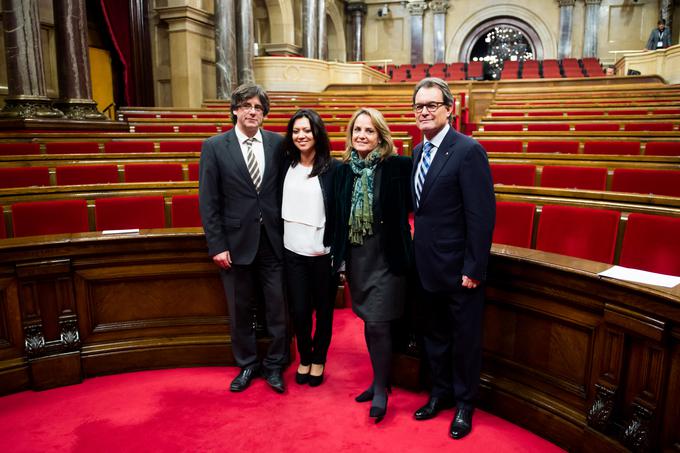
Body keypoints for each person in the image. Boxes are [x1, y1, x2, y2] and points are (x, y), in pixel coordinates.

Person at [410, 77, 495, 439]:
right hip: (426, 267)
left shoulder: (468, 150)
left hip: (459, 271)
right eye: (419, 107)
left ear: (449, 109)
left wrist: (473, 267)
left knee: (464, 342)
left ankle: (464, 405)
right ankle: (439, 394)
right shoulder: (417, 151)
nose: (425, 112)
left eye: (431, 105)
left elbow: (481, 215)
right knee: (435, 337)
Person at [199, 83, 288, 394]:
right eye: (247, 106)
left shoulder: (278, 144)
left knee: (278, 307)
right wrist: (217, 244)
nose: (253, 111)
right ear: (235, 110)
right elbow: (209, 201)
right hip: (235, 245)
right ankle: (248, 363)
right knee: (240, 308)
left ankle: (276, 365)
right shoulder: (214, 146)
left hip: (274, 241)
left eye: (259, 108)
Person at [332, 108, 413, 423]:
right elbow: (338, 218)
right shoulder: (344, 172)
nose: (362, 136)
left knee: (379, 323)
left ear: (381, 135)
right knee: (369, 321)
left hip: (388, 259)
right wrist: (337, 258)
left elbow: (420, 205)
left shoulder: (398, 167)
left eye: (369, 130)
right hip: (358, 259)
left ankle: (381, 387)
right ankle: (379, 379)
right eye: (357, 130)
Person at [281, 109, 339, 387]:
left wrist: (340, 259)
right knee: (300, 311)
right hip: (292, 252)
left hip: (322, 254)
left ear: (317, 133)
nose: (301, 136)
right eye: (296, 131)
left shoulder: (333, 168)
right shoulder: (285, 164)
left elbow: (339, 215)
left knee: (324, 312)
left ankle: (319, 359)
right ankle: (304, 357)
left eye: (307, 130)